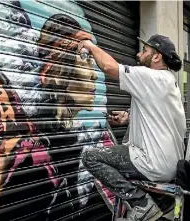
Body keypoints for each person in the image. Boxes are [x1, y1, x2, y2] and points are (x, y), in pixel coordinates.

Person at [79, 34, 186, 221]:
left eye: (145, 50)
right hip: (171, 166)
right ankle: (160, 201)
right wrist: (128, 117)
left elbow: (109, 67)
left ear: (156, 56)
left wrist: (90, 46)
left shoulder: (150, 76)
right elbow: (157, 114)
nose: (138, 54)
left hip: (152, 163)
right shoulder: (169, 81)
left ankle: (140, 203)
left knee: (91, 157)